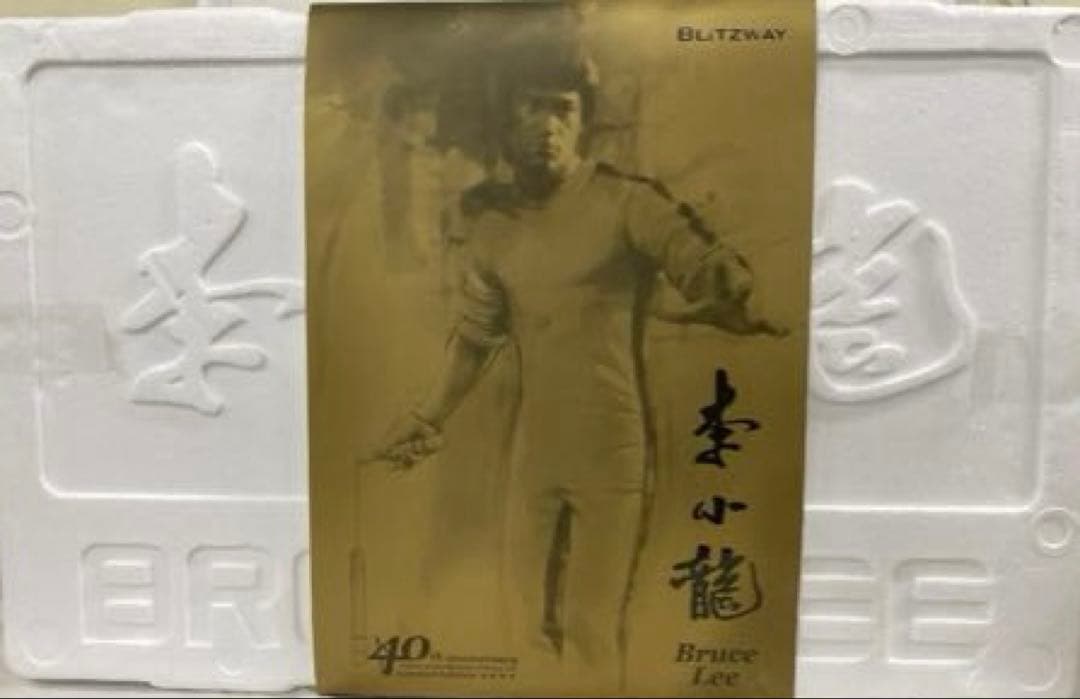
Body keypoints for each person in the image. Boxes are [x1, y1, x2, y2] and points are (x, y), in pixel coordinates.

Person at [367, 38, 782, 690]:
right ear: (505, 121)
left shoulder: (627, 202)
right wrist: (426, 417)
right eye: (532, 108)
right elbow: (476, 338)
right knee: (522, 628)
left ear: (584, 120)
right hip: (534, 456)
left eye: (563, 110)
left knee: (591, 629)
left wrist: (734, 288)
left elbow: (700, 261)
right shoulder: (493, 225)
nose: (549, 127)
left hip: (611, 453)